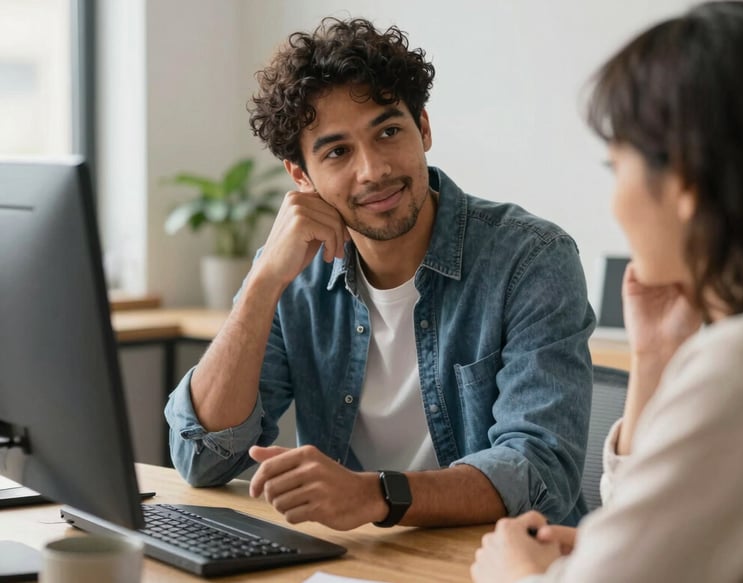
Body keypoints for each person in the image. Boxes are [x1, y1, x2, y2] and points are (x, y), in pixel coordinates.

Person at [164, 17, 595, 531]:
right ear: (301, 175)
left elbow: (540, 471)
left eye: (389, 132)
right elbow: (202, 459)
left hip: (501, 562)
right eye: (338, 151)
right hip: (364, 562)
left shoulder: (530, 258)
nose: (373, 170)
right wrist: (261, 286)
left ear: (425, 129)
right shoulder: (293, 275)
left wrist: (377, 496)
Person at [471, 1, 743, 581]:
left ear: (681, 179)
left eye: (615, 166)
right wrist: (654, 356)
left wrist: (515, 573)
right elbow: (645, 520)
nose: (615, 200)